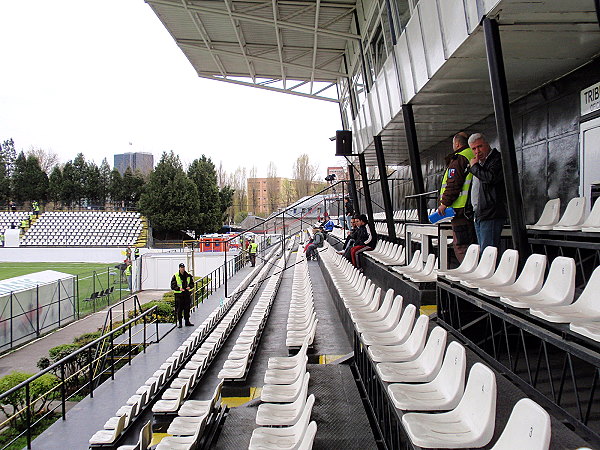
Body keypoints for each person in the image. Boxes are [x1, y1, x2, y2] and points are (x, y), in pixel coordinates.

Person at [437, 132, 477, 263]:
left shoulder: (459, 158)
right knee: (471, 243)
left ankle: (467, 275)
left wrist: (444, 203)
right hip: (472, 207)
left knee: (461, 244)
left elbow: (453, 184)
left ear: (457, 144)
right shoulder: (472, 155)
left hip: (460, 210)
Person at [468, 133, 508, 251]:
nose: (477, 151)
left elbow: (491, 178)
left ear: (487, 144)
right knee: (483, 252)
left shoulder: (496, 159)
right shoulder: (480, 163)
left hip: (491, 212)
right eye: (474, 149)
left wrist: (474, 168)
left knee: (488, 253)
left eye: (479, 146)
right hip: (480, 212)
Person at [170, 263, 195, 328]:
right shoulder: (175, 276)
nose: (182, 268)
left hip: (186, 294)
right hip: (179, 295)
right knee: (179, 309)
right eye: (181, 267)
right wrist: (179, 289)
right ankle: (180, 323)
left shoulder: (188, 275)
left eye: (183, 267)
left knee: (187, 308)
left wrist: (190, 287)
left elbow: (192, 284)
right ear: (179, 268)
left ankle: (187, 321)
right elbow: (172, 286)